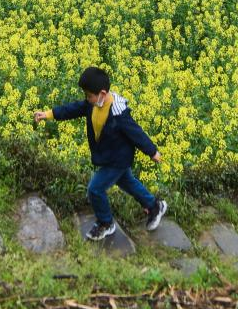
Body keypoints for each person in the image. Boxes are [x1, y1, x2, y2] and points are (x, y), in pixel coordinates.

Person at [34, 66, 167, 241]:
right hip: (108, 155)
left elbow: (136, 132)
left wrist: (152, 151)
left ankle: (106, 223)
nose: (87, 99)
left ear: (102, 93)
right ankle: (154, 205)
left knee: (95, 189)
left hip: (118, 158)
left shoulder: (118, 112)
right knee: (127, 182)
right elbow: (72, 109)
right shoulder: (93, 104)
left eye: (89, 95)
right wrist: (49, 114)